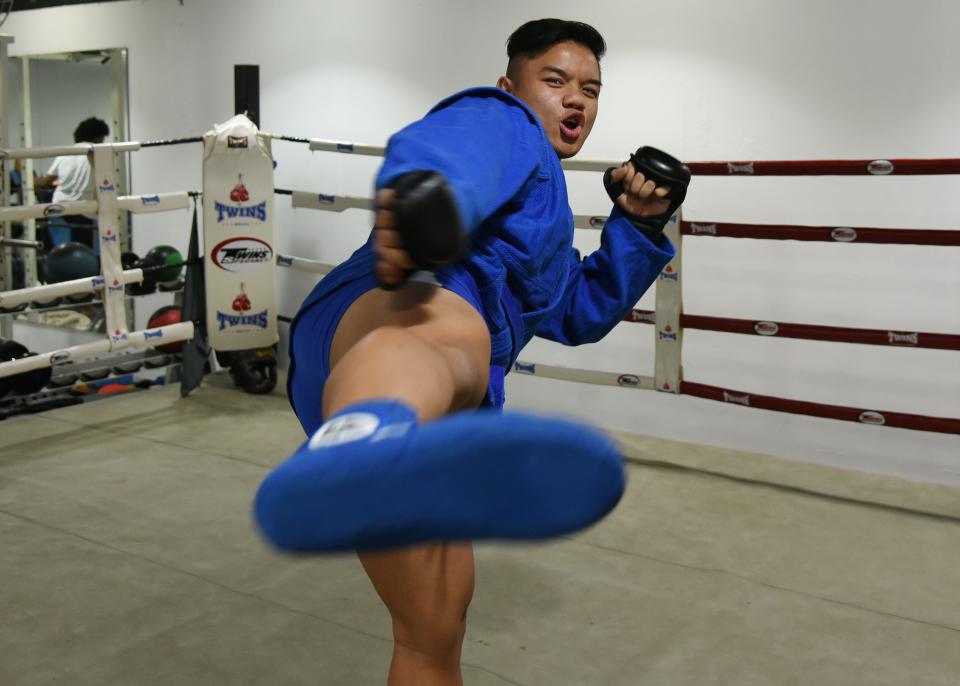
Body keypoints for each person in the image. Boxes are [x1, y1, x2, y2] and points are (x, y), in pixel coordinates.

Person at [255, 19, 687, 685]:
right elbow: (457, 149)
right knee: (448, 337)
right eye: (556, 81)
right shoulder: (501, 119)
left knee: (435, 625)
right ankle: (357, 442)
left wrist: (638, 223)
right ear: (511, 84)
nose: (576, 99)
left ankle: (363, 447)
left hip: (421, 410)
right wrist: (431, 201)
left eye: (591, 89)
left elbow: (577, 312)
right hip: (391, 317)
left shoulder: (547, 220)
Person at [34, 116, 109, 250]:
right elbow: (103, 184)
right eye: (102, 138)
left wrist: (28, 179)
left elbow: (45, 182)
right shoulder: (97, 152)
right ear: (98, 137)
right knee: (83, 254)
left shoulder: (65, 152)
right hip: (84, 210)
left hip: (59, 208)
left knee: (61, 251)